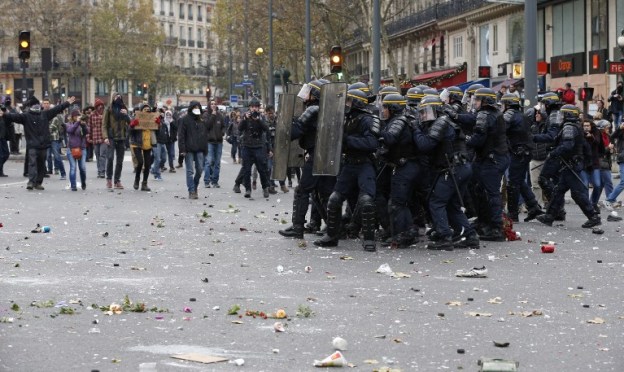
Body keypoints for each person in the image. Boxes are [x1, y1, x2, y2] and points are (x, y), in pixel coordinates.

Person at [313, 89, 379, 251]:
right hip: (349, 164)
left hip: (364, 164)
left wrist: (347, 140)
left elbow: (371, 143)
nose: (345, 104)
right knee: (335, 199)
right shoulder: (345, 119)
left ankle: (369, 239)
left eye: (348, 101)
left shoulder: (368, 120)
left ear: (356, 102)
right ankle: (332, 236)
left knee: (366, 201)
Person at [414, 95, 479, 250]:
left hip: (453, 169)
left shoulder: (441, 122)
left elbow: (425, 145)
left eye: (427, 111)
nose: (424, 115)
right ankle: (470, 236)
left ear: (436, 110)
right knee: (452, 205)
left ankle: (445, 237)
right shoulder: (446, 121)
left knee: (436, 202)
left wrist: (416, 130)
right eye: (422, 112)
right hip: (461, 167)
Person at [279, 79, 334, 239]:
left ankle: (297, 228)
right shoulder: (326, 109)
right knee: (323, 193)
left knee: (303, 190)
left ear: (315, 94)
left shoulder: (313, 109)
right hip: (326, 156)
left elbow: (296, 131)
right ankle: (333, 227)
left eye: (309, 92)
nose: (305, 95)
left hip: (316, 155)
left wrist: (286, 123)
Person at [537, 105, 601, 228]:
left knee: (576, 193)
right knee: (558, 191)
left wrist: (553, 153)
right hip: (571, 164)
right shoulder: (576, 126)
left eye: (563, 114)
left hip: (571, 165)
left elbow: (567, 145)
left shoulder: (569, 127)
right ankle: (549, 217)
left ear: (568, 115)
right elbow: (584, 147)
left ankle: (593, 216)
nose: (560, 117)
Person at [3, 96, 76, 190]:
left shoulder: (44, 114)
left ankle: (37, 182)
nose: (37, 107)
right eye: (35, 105)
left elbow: (57, 109)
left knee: (41, 164)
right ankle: (32, 182)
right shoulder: (27, 116)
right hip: (34, 145)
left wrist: (67, 103)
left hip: (41, 144)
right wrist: (4, 114)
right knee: (33, 163)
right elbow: (13, 116)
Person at [467, 88, 510, 241]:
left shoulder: (485, 115)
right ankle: (484, 221)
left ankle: (496, 228)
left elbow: (478, 138)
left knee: (492, 193)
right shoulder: (493, 113)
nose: (475, 103)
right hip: (492, 158)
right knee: (478, 189)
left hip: (492, 159)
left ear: (485, 101)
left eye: (477, 100)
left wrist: (466, 140)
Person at [501, 94, 544, 222]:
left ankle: (513, 214)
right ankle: (533, 207)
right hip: (525, 152)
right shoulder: (523, 116)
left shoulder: (510, 115)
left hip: (517, 153)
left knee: (513, 183)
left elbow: (501, 129)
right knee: (519, 181)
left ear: (508, 104)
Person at [238, 98, 272, 198]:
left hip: (258, 147)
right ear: (249, 108)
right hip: (247, 146)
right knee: (246, 169)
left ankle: (265, 187)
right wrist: (244, 119)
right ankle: (248, 189)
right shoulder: (246, 117)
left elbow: (267, 129)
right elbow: (240, 128)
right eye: (252, 107)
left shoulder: (261, 117)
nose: (254, 109)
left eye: (256, 107)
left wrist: (259, 120)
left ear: (258, 108)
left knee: (262, 169)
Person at [177, 101, 208, 199]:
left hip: (199, 149)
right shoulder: (184, 120)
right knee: (190, 171)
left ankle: (194, 186)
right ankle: (191, 190)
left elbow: (204, 136)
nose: (196, 108)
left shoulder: (201, 120)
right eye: (194, 107)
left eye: (198, 107)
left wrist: (205, 149)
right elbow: (181, 135)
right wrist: (182, 149)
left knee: (199, 170)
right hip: (189, 149)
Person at [102, 93, 130, 190]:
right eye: (116, 97)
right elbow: (104, 125)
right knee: (110, 158)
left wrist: (126, 114)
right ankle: (109, 179)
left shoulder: (124, 108)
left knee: (120, 161)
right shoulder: (108, 109)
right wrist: (105, 137)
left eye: (119, 97)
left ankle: (117, 180)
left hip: (121, 137)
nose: (118, 99)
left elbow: (130, 122)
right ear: (113, 98)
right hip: (111, 137)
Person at [129, 104, 155, 191]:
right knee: (140, 162)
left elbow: (158, 130)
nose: (147, 110)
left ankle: (144, 183)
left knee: (147, 164)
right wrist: (132, 125)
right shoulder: (136, 118)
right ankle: (137, 180)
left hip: (147, 143)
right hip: (137, 143)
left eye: (148, 109)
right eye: (145, 109)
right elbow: (129, 131)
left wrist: (159, 123)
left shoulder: (152, 119)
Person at [528, 106, 548, 207]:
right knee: (535, 185)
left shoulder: (547, 127)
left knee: (546, 184)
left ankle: (548, 204)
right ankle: (538, 205)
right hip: (534, 159)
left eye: (538, 113)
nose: (536, 115)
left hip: (546, 160)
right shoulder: (532, 127)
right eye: (535, 113)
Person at [204, 101, 226, 188]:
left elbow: (224, 126)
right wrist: (213, 115)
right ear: (209, 105)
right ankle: (207, 181)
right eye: (211, 104)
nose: (213, 105)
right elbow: (207, 126)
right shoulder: (206, 115)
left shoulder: (220, 115)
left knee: (217, 163)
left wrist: (222, 133)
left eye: (214, 104)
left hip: (219, 141)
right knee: (209, 161)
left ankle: (215, 181)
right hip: (210, 141)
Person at [65, 108, 88, 191]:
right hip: (71, 149)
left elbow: (87, 132)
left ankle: (83, 182)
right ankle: (73, 185)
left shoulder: (82, 124)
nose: (77, 117)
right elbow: (70, 130)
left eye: (78, 115)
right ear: (72, 116)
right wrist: (77, 123)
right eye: (75, 116)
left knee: (82, 168)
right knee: (73, 167)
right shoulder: (68, 124)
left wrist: (83, 125)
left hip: (82, 148)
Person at [88, 99, 106, 178]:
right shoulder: (92, 115)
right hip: (95, 138)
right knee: (98, 155)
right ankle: (99, 170)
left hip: (103, 138)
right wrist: (89, 137)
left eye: (101, 105)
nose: (100, 107)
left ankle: (102, 171)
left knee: (102, 155)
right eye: (98, 105)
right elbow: (90, 127)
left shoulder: (105, 114)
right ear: (96, 106)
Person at [48, 107, 67, 180]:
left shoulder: (55, 118)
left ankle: (63, 173)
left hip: (54, 139)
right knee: (47, 156)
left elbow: (50, 128)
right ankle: (48, 171)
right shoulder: (46, 118)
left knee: (57, 156)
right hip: (47, 139)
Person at [0, 104, 8, 177]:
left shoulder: (4, 117)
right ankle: (0, 171)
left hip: (3, 138)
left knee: (6, 154)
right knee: (1, 155)